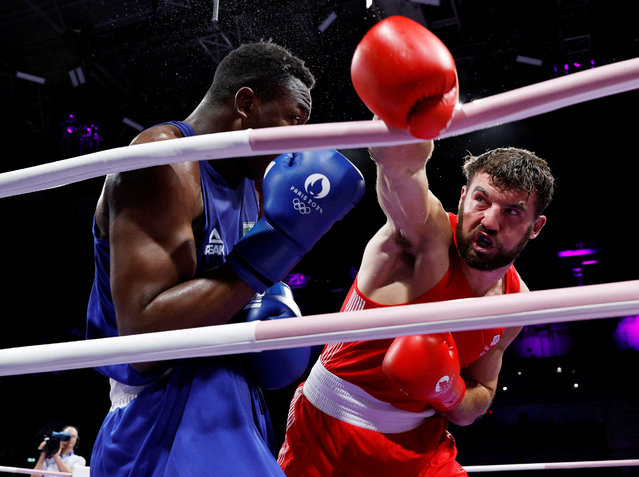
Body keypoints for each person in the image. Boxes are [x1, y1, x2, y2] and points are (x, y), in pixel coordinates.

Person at [86, 40, 365, 477]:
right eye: (293, 119)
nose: (298, 140)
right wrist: (271, 255)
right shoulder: (165, 161)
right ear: (246, 104)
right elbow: (141, 338)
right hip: (160, 410)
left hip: (228, 397)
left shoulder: (254, 185)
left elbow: (236, 299)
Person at [278, 137, 555, 475]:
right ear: (463, 197)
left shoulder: (515, 303)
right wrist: (405, 120)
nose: (490, 221)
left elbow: (478, 398)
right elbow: (397, 167)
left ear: (535, 227)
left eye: (512, 212)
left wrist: (449, 392)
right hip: (330, 429)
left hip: (422, 445)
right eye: (481, 200)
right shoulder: (424, 235)